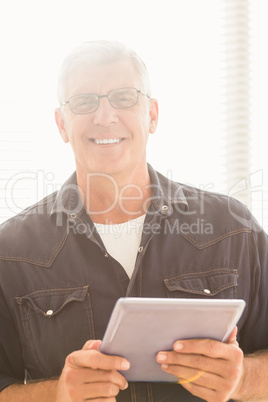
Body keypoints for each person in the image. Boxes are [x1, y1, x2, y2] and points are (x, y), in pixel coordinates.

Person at [0, 40, 268, 402]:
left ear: (152, 115)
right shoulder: (11, 251)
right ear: (62, 125)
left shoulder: (234, 229)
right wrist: (57, 394)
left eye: (124, 97)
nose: (105, 116)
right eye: (84, 102)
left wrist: (244, 380)